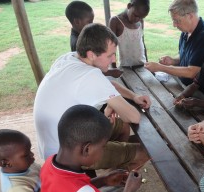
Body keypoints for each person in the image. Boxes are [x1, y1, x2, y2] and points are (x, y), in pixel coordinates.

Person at [34, 23, 151, 172]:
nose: (113, 59)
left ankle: (114, 168)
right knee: (146, 150)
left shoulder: (68, 58)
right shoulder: (90, 75)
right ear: (91, 54)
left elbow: (109, 85)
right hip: (66, 156)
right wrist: (114, 104)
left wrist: (134, 96)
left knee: (122, 126)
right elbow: (134, 117)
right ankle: (118, 185)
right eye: (109, 55)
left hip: (58, 144)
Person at [40, 104, 167, 192]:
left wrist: (104, 180)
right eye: (103, 147)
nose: (103, 150)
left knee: (121, 188)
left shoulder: (49, 164)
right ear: (87, 149)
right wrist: (128, 190)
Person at [144, 0, 204, 86]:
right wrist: (173, 61)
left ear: (190, 16)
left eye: (177, 21)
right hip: (182, 84)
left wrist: (160, 68)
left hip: (196, 91)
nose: (174, 25)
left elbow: (192, 72)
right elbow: (188, 57)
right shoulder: (186, 31)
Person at [65, 1, 123, 78]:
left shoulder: (81, 36)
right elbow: (88, 70)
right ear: (77, 22)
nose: (92, 24)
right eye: (89, 21)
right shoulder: (78, 43)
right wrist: (110, 72)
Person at [109, 0, 150, 68]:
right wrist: (114, 68)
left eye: (141, 17)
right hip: (126, 67)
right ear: (129, 6)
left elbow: (142, 43)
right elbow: (111, 48)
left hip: (142, 65)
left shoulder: (141, 21)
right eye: (135, 15)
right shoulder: (115, 21)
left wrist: (148, 64)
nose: (137, 19)